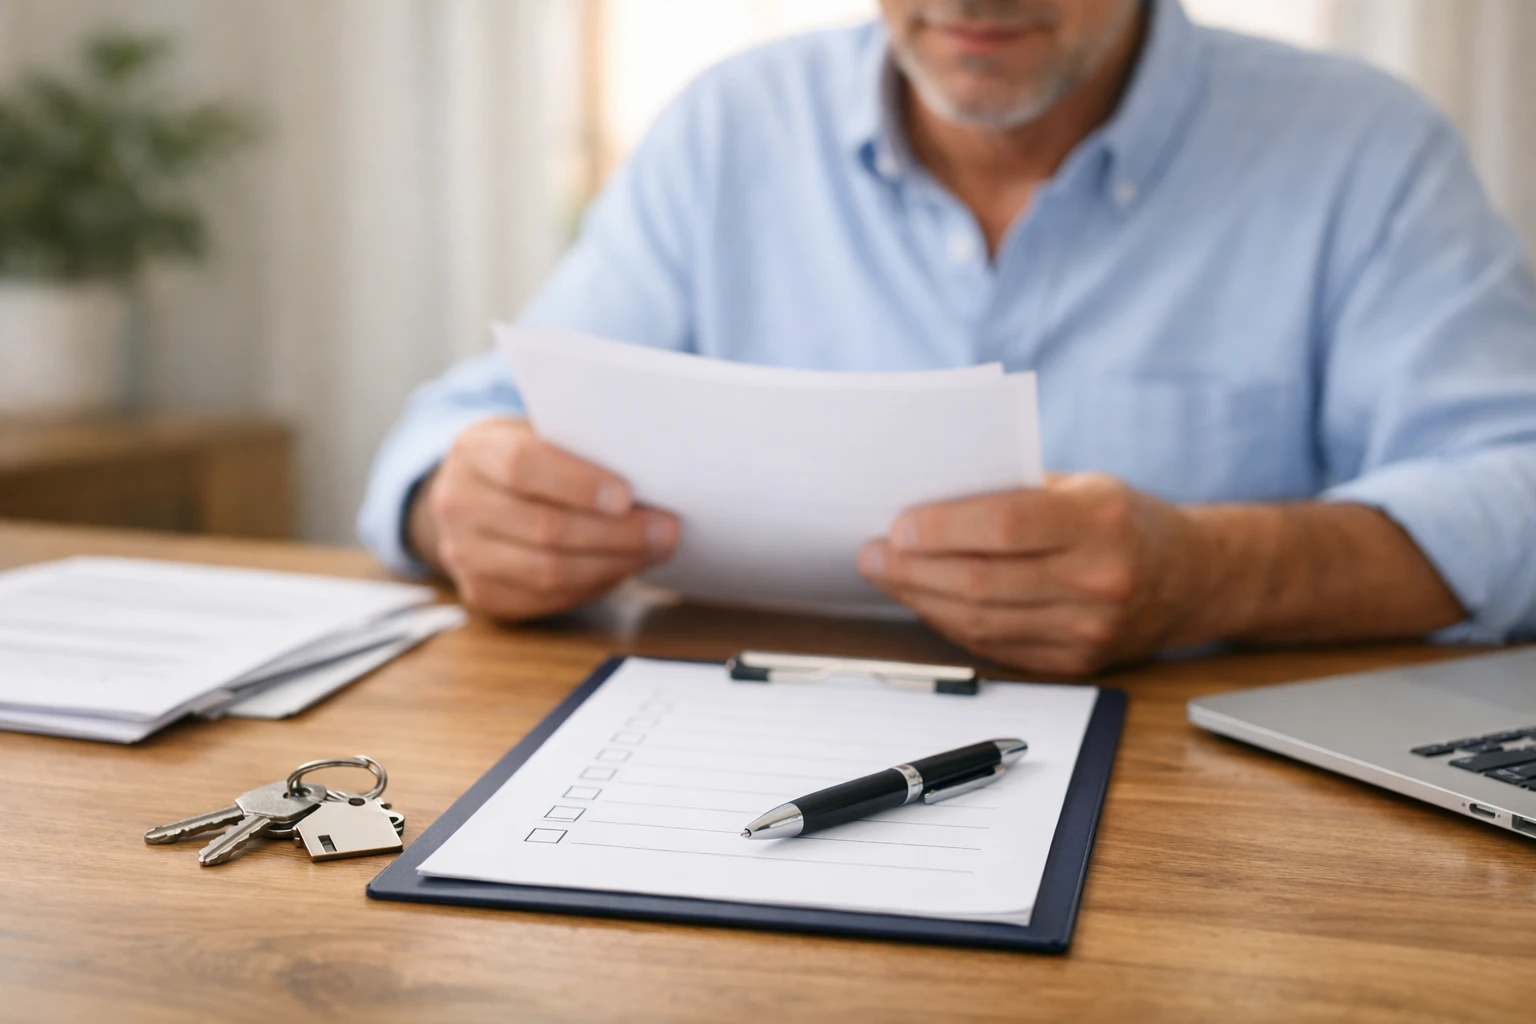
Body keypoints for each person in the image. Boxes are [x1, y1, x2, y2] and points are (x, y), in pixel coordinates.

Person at [359, 0, 1536, 675]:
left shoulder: (1364, 149)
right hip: (739, 757)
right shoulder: (731, 126)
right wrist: (459, 503)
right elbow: (455, 433)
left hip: (1217, 824)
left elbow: (1517, 491)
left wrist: (1212, 571)